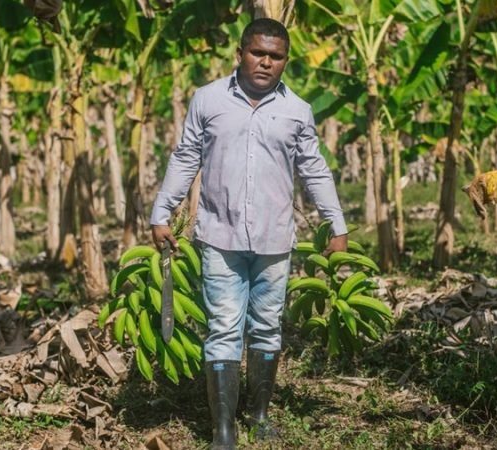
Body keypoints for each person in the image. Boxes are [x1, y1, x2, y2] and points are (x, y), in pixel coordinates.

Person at [150, 18, 348, 450]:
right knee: (223, 327)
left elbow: (314, 169)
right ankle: (223, 428)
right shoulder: (208, 100)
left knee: (267, 326)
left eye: (276, 56)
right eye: (258, 53)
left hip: (274, 239)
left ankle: (258, 415)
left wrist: (336, 224)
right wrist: (161, 212)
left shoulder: (297, 110)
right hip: (219, 236)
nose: (265, 62)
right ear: (240, 53)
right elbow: (186, 157)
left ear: (285, 61)